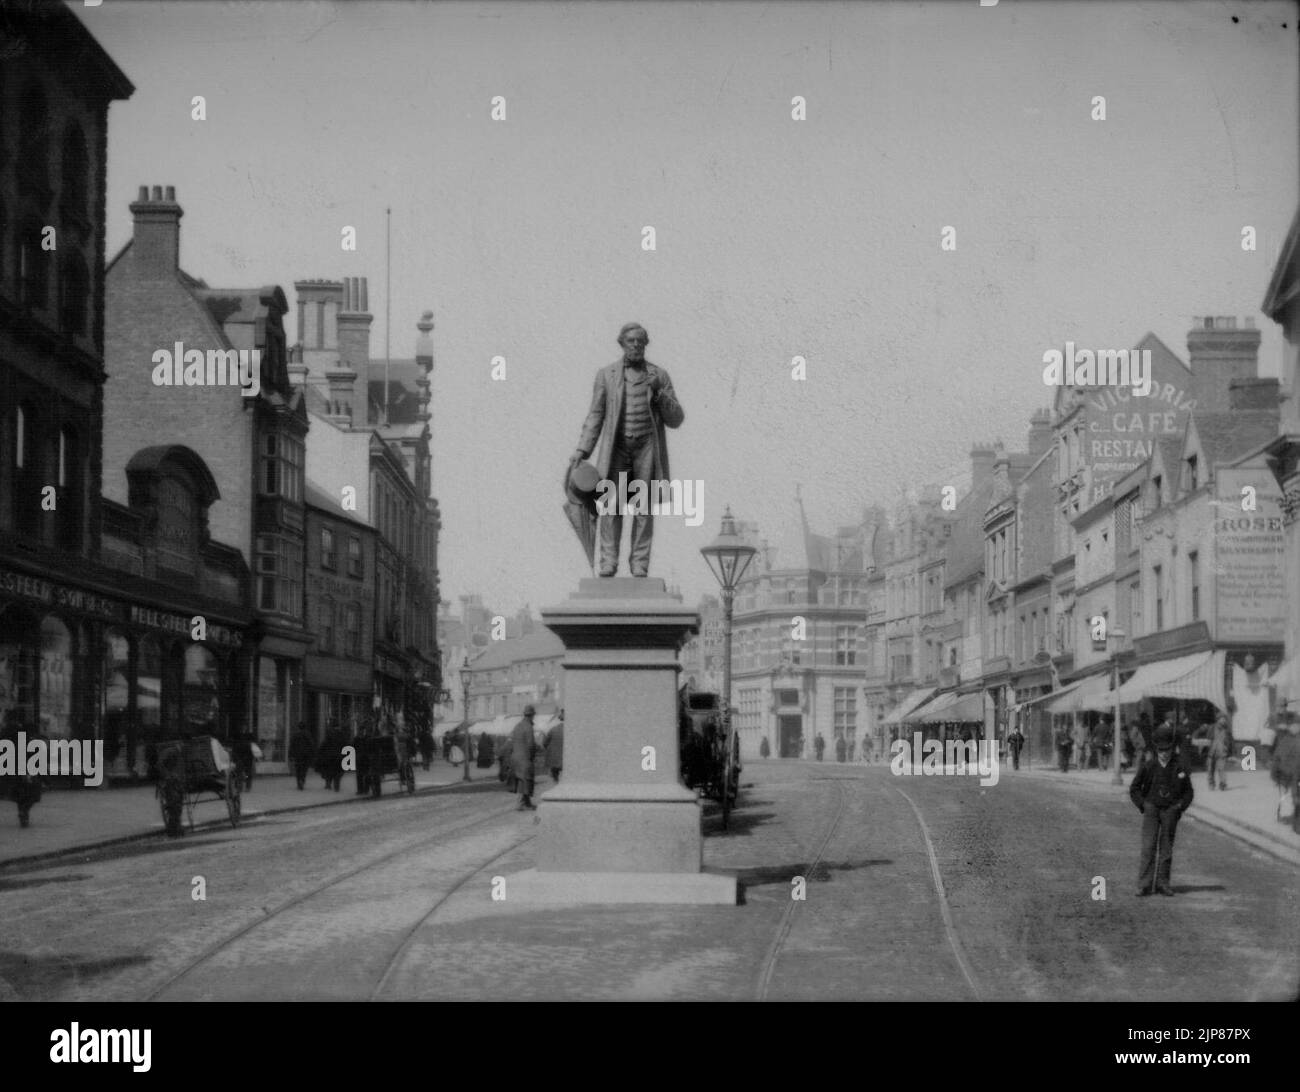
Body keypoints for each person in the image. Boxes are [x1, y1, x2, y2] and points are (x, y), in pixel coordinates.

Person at [570, 322, 686, 577]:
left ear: (646, 344)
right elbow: (595, 415)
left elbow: (676, 419)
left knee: (643, 507)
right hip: (617, 448)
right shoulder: (606, 375)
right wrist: (582, 450)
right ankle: (609, 561)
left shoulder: (659, 375)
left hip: (647, 447)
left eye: (640, 341)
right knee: (613, 506)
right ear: (621, 343)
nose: (636, 345)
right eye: (631, 341)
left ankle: (639, 563)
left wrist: (660, 394)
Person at [1129, 723, 1194, 896]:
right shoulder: (1149, 766)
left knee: (1166, 848)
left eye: (1168, 750)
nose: (1164, 753)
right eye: (1161, 750)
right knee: (1148, 846)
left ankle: (1163, 883)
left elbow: (1189, 792)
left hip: (1170, 810)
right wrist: (1143, 804)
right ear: (1157, 749)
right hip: (1151, 809)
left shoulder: (1178, 767)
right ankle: (1144, 884)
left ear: (1172, 749)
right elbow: (1134, 788)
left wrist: (1180, 807)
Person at [1, 717, 42, 828]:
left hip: (18, 771)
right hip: (25, 772)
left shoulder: (17, 739)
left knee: (22, 796)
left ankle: (23, 813)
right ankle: (24, 813)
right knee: (30, 795)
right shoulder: (26, 741)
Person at [1269, 706, 1300, 827]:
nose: (1296, 727)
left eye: (1297, 725)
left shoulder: (1292, 740)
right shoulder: (1286, 741)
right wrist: (1275, 774)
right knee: (1288, 797)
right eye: (1294, 725)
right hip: (1287, 775)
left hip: (1294, 775)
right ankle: (1288, 818)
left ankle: (1293, 819)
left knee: (1293, 797)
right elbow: (1277, 758)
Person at [510, 706, 539, 809]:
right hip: (525, 757)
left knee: (522, 780)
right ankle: (520, 803)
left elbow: (512, 741)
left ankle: (526, 803)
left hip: (515, 757)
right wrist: (532, 755)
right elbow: (531, 744)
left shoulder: (517, 726)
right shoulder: (528, 727)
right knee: (527, 780)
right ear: (532, 715)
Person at [1205, 714, 1231, 792]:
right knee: (1210, 769)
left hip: (1222, 752)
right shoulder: (1212, 727)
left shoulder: (1227, 730)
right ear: (1218, 719)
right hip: (1211, 751)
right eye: (1222, 719)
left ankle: (1223, 784)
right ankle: (1211, 784)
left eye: (1224, 719)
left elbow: (1230, 741)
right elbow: (1208, 737)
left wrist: (1229, 751)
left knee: (1221, 769)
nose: (1224, 721)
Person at [289, 723, 315, 790]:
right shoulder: (308, 735)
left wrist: (291, 755)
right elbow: (311, 745)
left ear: (298, 727)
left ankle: (298, 782)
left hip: (297, 755)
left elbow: (292, 745)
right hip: (306, 755)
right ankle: (302, 780)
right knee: (304, 768)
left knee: (298, 769)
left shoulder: (295, 735)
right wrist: (312, 754)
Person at [545, 711, 564, 783]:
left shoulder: (553, 729)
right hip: (568, 764)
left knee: (555, 782)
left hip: (555, 763)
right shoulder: (573, 730)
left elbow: (545, 743)